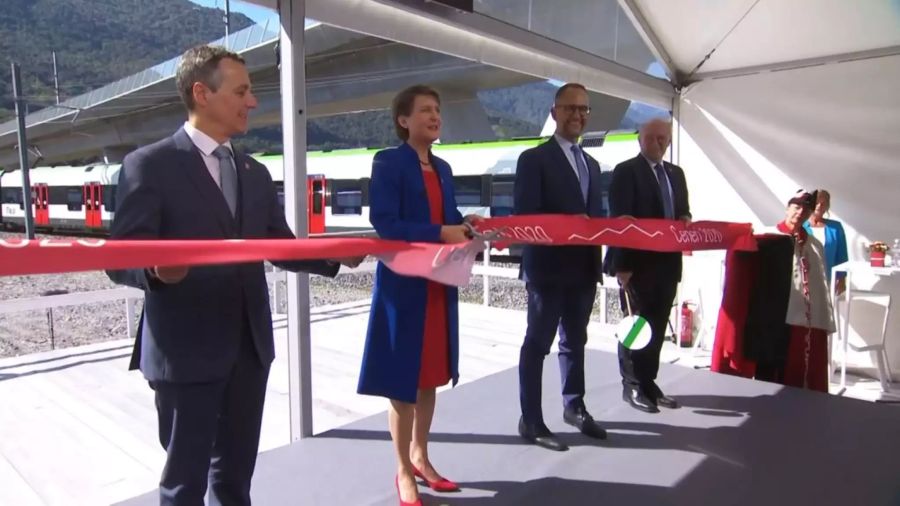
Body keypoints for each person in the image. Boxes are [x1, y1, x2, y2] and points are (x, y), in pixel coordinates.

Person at [106, 45, 360, 506]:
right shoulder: (149, 166)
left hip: (250, 350)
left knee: (234, 482)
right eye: (242, 91)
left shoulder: (255, 173)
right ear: (202, 93)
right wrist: (157, 271)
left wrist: (337, 255)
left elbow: (279, 247)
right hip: (186, 355)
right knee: (184, 484)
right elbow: (117, 258)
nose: (252, 101)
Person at [358, 85, 477, 506]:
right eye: (425, 110)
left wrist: (466, 223)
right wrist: (439, 232)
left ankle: (421, 457)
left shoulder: (442, 168)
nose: (435, 116)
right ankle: (402, 471)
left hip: (437, 286)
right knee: (402, 383)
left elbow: (446, 219)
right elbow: (385, 223)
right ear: (403, 120)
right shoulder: (387, 162)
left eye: (437, 110)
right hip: (404, 287)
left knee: (430, 378)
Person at [513, 82, 607, 452]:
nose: (578, 115)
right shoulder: (533, 159)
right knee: (537, 344)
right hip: (547, 270)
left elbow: (595, 218)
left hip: (584, 269)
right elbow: (525, 216)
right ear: (554, 112)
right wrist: (570, 222)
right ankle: (531, 418)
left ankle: (574, 406)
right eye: (570, 108)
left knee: (575, 341)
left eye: (584, 109)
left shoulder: (594, 165)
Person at [603, 118, 691, 414]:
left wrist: (686, 222)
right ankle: (632, 385)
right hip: (636, 266)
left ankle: (649, 381)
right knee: (635, 326)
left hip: (667, 264)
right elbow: (621, 221)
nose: (658, 143)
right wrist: (622, 265)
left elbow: (683, 210)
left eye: (663, 139)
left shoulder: (676, 174)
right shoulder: (627, 172)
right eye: (653, 138)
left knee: (656, 326)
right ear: (641, 140)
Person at [772, 190, 836, 391]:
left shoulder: (814, 244)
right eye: (797, 207)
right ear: (788, 208)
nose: (800, 213)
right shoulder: (771, 237)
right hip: (780, 315)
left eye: (805, 210)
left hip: (807, 318)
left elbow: (820, 283)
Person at [804, 189, 848, 294]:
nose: (819, 206)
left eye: (823, 203)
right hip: (804, 279)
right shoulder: (801, 226)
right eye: (816, 203)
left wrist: (842, 280)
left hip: (827, 279)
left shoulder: (835, 227)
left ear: (827, 206)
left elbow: (841, 256)